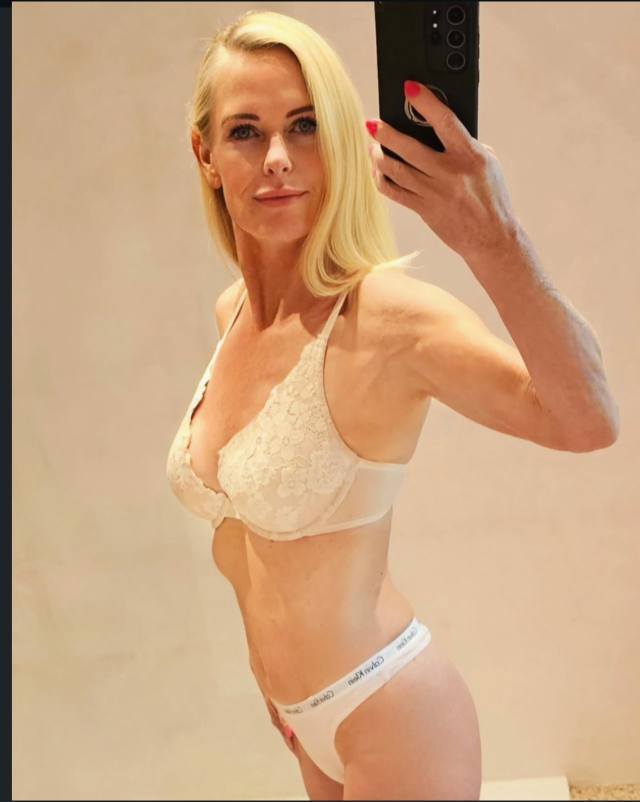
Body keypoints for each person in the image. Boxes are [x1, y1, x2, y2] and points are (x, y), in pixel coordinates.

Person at [167, 10, 618, 801]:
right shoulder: (231, 313)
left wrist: (494, 239)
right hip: (299, 718)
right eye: (245, 132)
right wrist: (278, 691)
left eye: (305, 125)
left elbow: (587, 421)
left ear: (340, 140)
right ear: (205, 154)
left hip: (389, 708)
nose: (278, 158)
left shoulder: (387, 319)